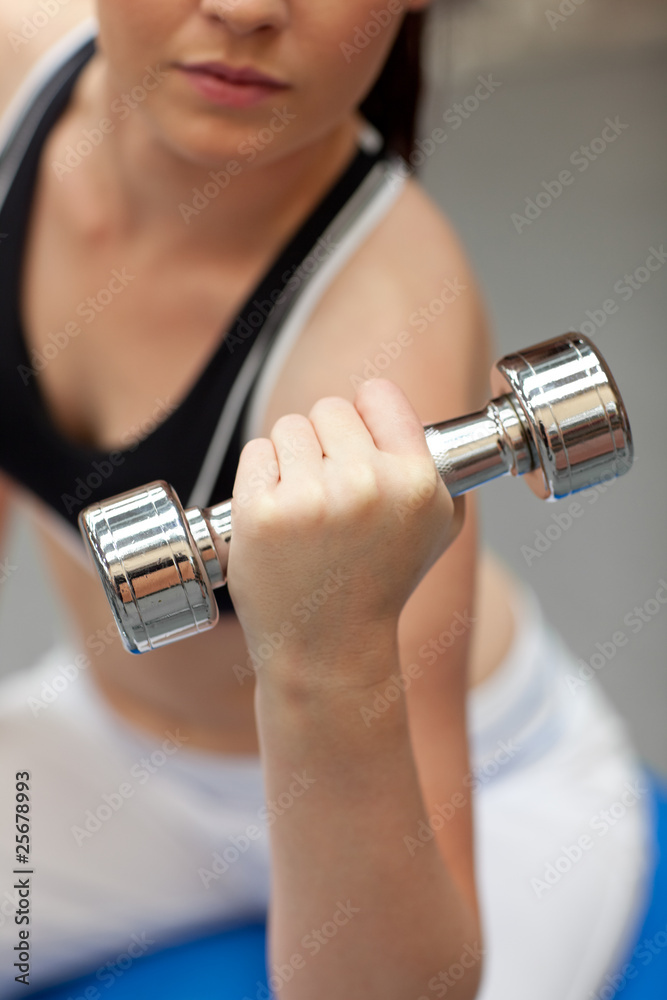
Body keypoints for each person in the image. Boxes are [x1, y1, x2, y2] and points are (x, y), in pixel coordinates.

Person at [0, 1, 651, 997]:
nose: (245, 8)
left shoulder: (387, 327)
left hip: (455, 793)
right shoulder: (13, 79)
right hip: (121, 752)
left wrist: (327, 660)